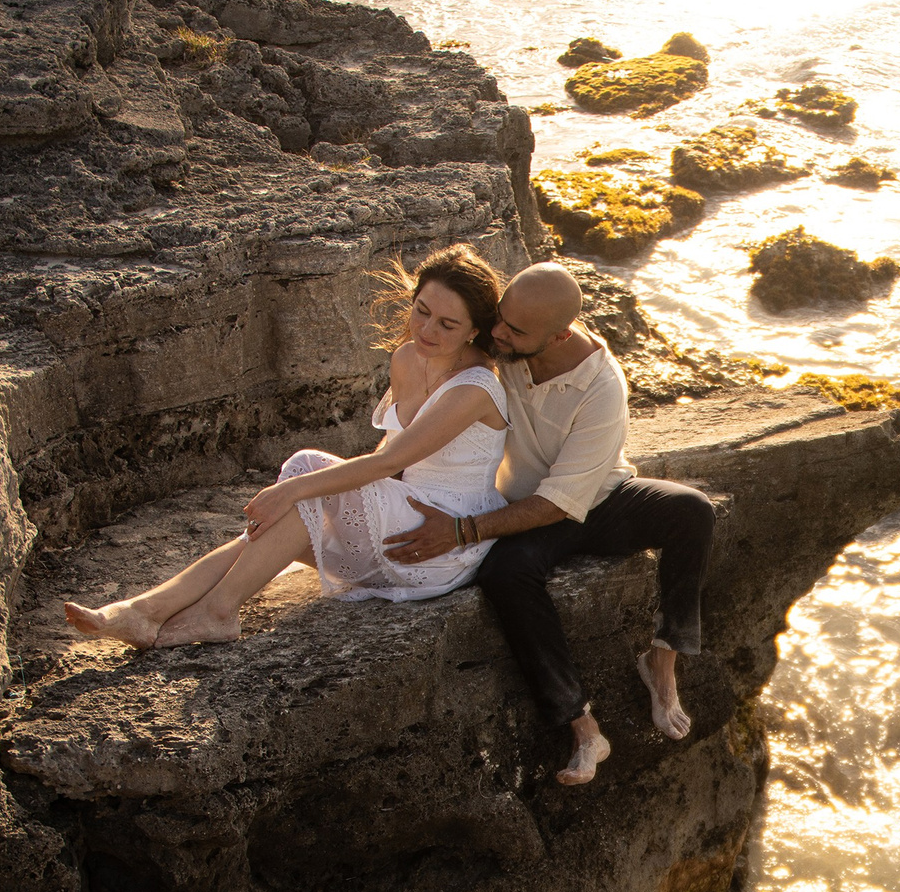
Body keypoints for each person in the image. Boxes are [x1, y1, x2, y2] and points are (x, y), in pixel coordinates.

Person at [63, 243, 511, 649]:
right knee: (271, 533)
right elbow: (386, 458)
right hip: (399, 520)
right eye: (421, 311)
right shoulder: (407, 358)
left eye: (448, 324)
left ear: (474, 331)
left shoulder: (474, 386)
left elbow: (391, 462)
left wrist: (293, 489)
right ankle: (147, 611)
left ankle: (215, 611)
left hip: (441, 543)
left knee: (306, 471)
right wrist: (312, 496)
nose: (427, 329)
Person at [380, 261, 712, 787]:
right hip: (528, 502)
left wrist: (463, 530)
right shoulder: (505, 344)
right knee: (504, 575)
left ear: (559, 334)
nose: (498, 335)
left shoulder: (601, 389)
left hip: (596, 500)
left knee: (691, 510)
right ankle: (582, 726)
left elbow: (559, 503)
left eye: (514, 331)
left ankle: (663, 662)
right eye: (500, 320)